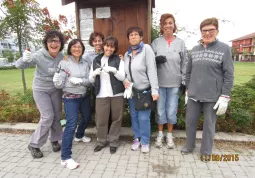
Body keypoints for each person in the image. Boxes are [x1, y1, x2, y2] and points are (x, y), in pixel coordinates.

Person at [181, 17, 234, 158]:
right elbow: (188, 72)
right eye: (204, 31)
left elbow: (229, 74)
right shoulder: (195, 50)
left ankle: (205, 151)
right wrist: (187, 89)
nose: (207, 33)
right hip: (193, 94)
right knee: (190, 122)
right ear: (200, 32)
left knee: (209, 125)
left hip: (213, 96)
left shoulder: (224, 49)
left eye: (211, 30)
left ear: (217, 31)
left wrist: (225, 96)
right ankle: (189, 145)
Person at [15, 30, 65, 158]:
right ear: (46, 43)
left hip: (55, 89)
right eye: (51, 41)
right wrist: (24, 59)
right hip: (41, 89)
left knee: (57, 116)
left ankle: (54, 140)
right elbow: (19, 65)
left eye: (57, 41)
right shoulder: (39, 55)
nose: (54, 43)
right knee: (47, 116)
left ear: (61, 43)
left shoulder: (61, 56)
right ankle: (34, 144)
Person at [151, 13, 188, 149]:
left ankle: (170, 134)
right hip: (159, 83)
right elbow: (149, 62)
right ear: (162, 26)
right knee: (160, 110)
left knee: (171, 110)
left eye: (170, 22)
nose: (168, 25)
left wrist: (184, 81)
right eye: (165, 23)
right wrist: (154, 60)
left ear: (174, 25)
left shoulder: (180, 43)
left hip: (175, 83)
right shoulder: (156, 42)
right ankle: (160, 134)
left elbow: (185, 63)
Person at [53, 39, 90, 169]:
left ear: (82, 49)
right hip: (70, 98)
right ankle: (65, 157)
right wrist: (56, 80)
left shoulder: (85, 63)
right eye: (74, 47)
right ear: (70, 49)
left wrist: (80, 81)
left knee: (87, 117)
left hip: (83, 96)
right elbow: (59, 84)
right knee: (70, 125)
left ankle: (79, 136)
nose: (77, 49)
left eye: (79, 47)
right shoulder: (64, 62)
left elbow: (89, 81)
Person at [123, 26, 159, 153]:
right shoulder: (127, 54)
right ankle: (136, 138)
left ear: (141, 37)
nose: (133, 37)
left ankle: (145, 141)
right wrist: (125, 80)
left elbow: (152, 70)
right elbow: (125, 72)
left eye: (136, 34)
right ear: (128, 38)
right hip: (132, 91)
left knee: (144, 118)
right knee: (134, 115)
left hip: (144, 91)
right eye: (131, 35)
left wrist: (155, 90)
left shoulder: (146, 49)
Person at [89, 36, 125, 154]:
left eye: (112, 46)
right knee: (101, 120)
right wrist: (94, 74)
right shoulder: (96, 60)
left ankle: (113, 142)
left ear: (115, 48)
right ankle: (101, 141)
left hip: (117, 94)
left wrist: (114, 71)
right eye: (107, 46)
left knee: (116, 119)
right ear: (103, 46)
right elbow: (91, 80)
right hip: (101, 94)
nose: (109, 48)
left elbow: (123, 77)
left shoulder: (119, 60)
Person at [73, 32, 104, 143]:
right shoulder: (87, 56)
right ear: (92, 43)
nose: (97, 43)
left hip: (106, 88)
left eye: (99, 40)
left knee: (102, 112)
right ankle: (83, 134)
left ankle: (103, 133)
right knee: (92, 113)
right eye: (95, 41)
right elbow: (77, 61)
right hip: (92, 87)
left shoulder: (107, 52)